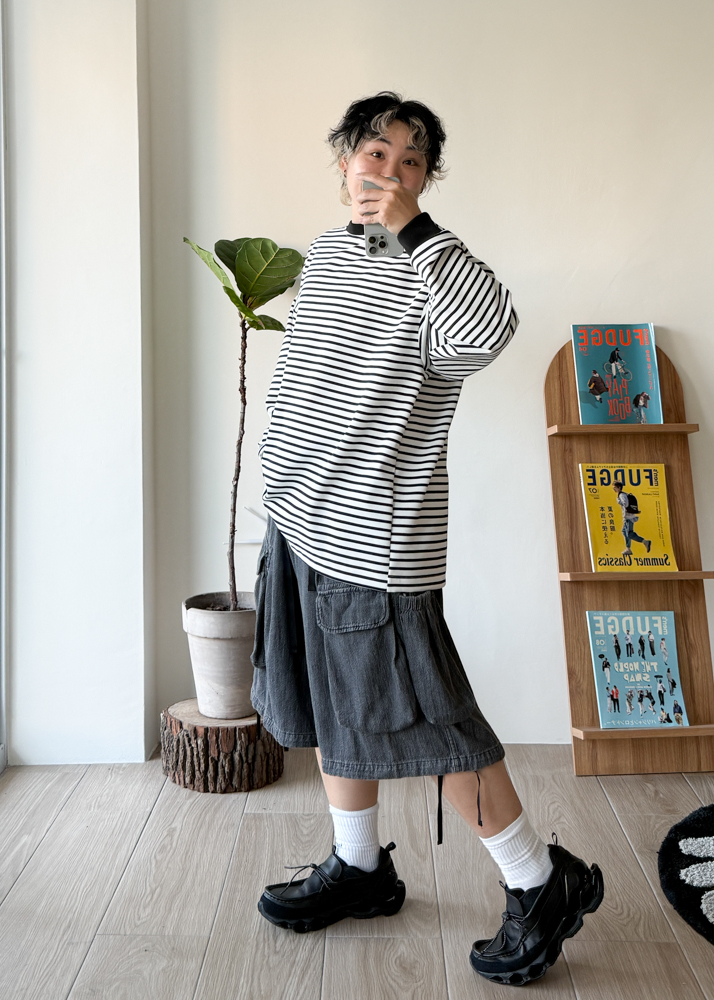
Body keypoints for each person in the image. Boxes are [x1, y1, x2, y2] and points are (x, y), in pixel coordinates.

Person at [251, 92, 603, 986]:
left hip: (373, 539)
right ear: (345, 161)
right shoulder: (326, 255)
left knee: (431, 725)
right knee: (334, 708)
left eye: (412, 162)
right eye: (377, 153)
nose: (391, 172)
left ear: (427, 182)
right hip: (299, 520)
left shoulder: (434, 267)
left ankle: (540, 881)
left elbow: (488, 332)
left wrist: (418, 232)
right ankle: (360, 865)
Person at [612, 481, 651, 559]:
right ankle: (628, 548)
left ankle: (644, 542)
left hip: (628, 517)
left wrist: (619, 502)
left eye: (615, 487)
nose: (614, 489)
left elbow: (625, 504)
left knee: (629, 534)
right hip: (629, 517)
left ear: (619, 488)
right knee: (624, 532)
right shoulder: (623, 494)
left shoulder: (622, 495)